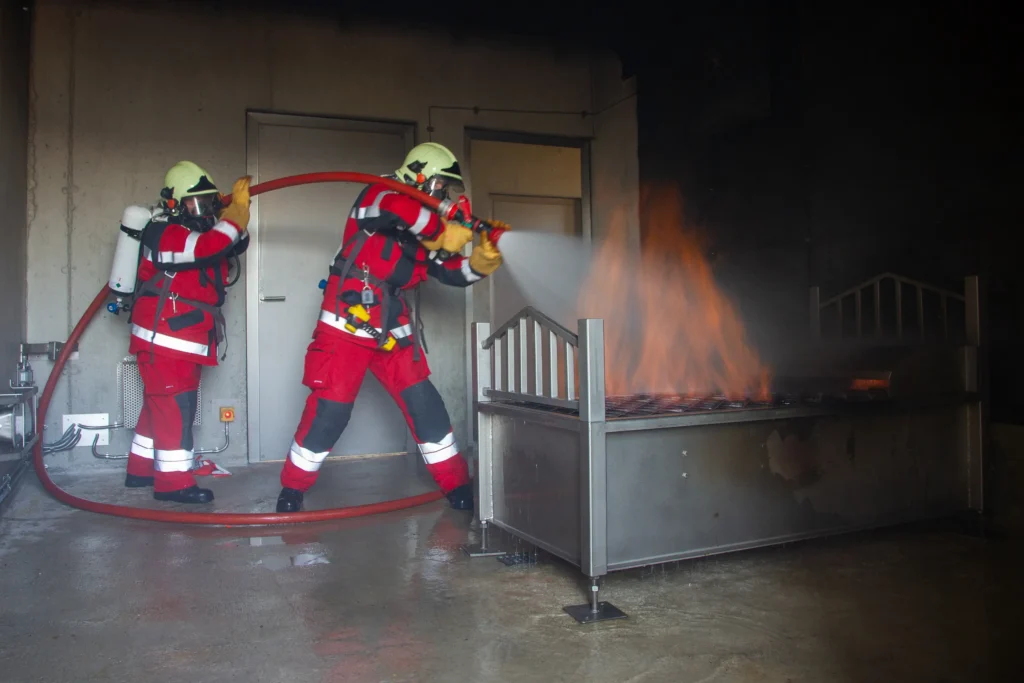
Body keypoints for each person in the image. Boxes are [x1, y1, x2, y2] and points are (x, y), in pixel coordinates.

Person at [275, 142, 506, 513]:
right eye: (438, 186)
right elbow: (400, 212)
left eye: (445, 190)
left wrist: (477, 264)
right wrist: (443, 231)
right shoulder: (380, 193)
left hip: (391, 320)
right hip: (346, 319)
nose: (442, 195)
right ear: (417, 175)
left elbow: (446, 272)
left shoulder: (422, 227)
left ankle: (457, 485)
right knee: (329, 412)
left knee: (425, 404)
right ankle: (292, 488)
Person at [123, 161, 251, 504]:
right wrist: (236, 214)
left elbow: (236, 244)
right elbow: (209, 247)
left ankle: (140, 470)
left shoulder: (201, 233)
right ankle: (174, 484)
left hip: (184, 334)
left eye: (208, 202)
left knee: (159, 404)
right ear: (174, 205)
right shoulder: (164, 233)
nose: (204, 211)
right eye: (196, 204)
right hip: (165, 336)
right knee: (175, 407)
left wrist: (229, 215)